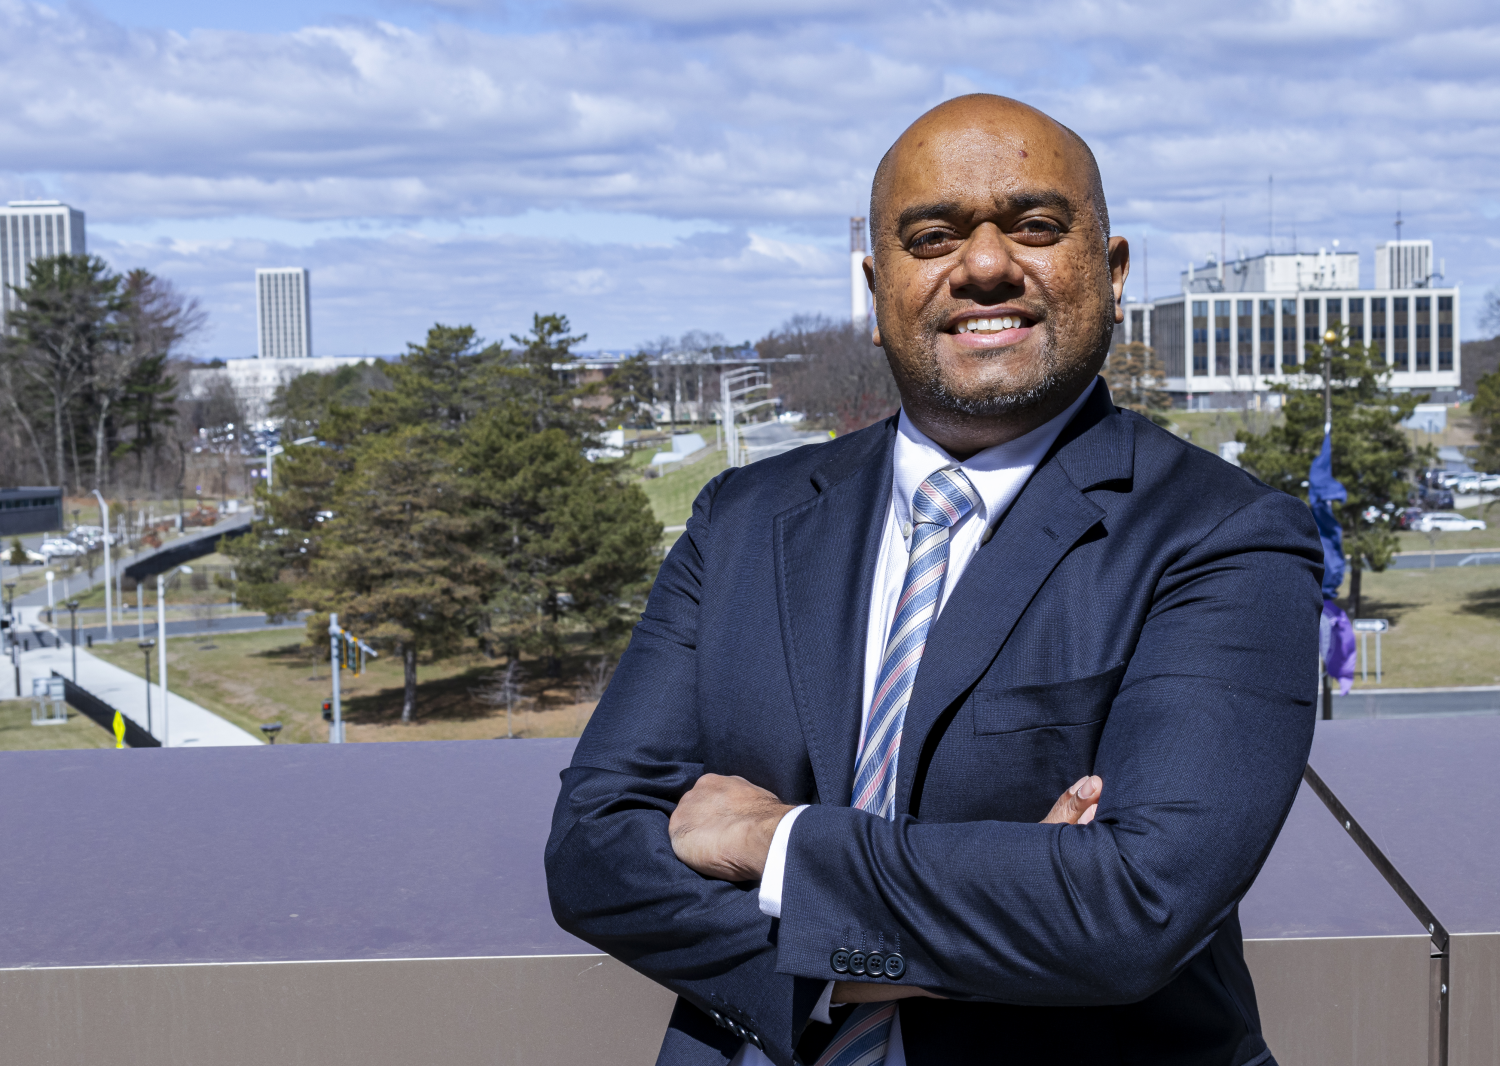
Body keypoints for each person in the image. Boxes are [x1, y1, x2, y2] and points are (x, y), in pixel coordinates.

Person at [546, 94, 1322, 1066]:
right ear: (878, 289)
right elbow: (594, 854)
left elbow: (1133, 907)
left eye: (1035, 226)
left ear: (1114, 273)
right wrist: (995, 911)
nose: (987, 265)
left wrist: (772, 841)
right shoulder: (742, 520)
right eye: (933, 236)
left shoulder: (1224, 536)